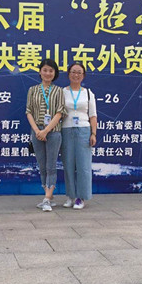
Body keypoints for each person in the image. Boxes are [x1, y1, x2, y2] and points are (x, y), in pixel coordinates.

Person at [26, 58, 67, 212]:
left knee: (51, 166)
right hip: (36, 132)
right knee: (42, 166)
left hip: (53, 132)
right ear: (40, 72)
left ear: (55, 73)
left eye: (51, 70)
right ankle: (47, 196)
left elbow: (60, 112)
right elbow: (28, 111)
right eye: (45, 70)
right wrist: (37, 131)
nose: (48, 73)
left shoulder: (59, 91)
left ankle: (47, 199)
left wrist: (46, 130)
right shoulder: (32, 90)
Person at [60, 62, 97, 209]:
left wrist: (93, 133)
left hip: (83, 130)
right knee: (68, 164)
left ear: (83, 76)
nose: (76, 75)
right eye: (73, 72)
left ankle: (81, 198)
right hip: (66, 129)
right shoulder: (62, 92)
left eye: (79, 72)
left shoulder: (88, 93)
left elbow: (93, 115)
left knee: (83, 165)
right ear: (68, 74)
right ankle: (70, 196)